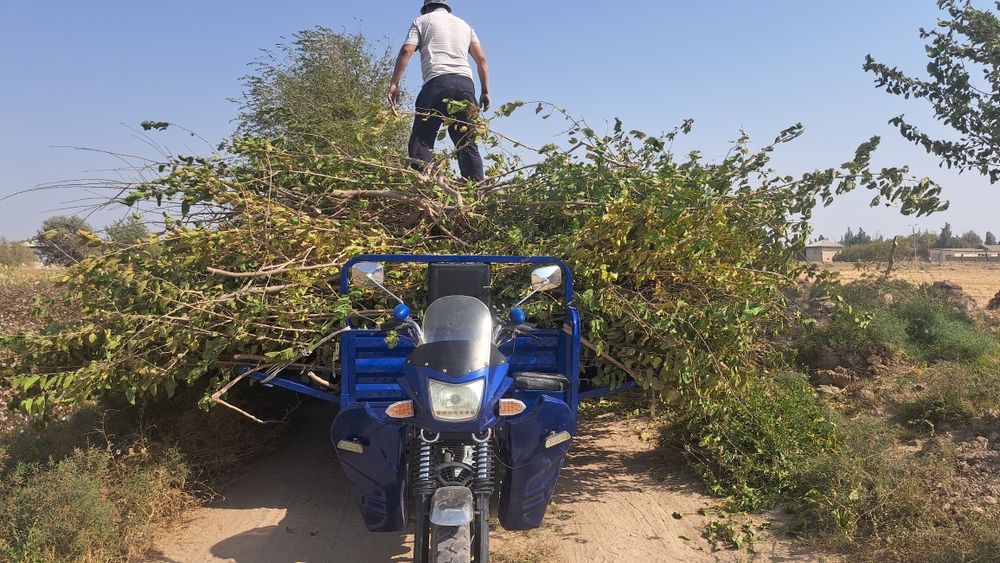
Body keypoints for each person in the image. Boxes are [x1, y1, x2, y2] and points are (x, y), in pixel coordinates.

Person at [387, 0, 490, 182]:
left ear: (427, 7)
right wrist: (485, 91)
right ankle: (476, 191)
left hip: (438, 83)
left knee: (421, 140)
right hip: (466, 85)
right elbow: (481, 59)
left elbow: (406, 50)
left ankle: (428, 186)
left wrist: (394, 83)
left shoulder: (422, 20)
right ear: (447, 8)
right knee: (466, 141)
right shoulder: (465, 25)